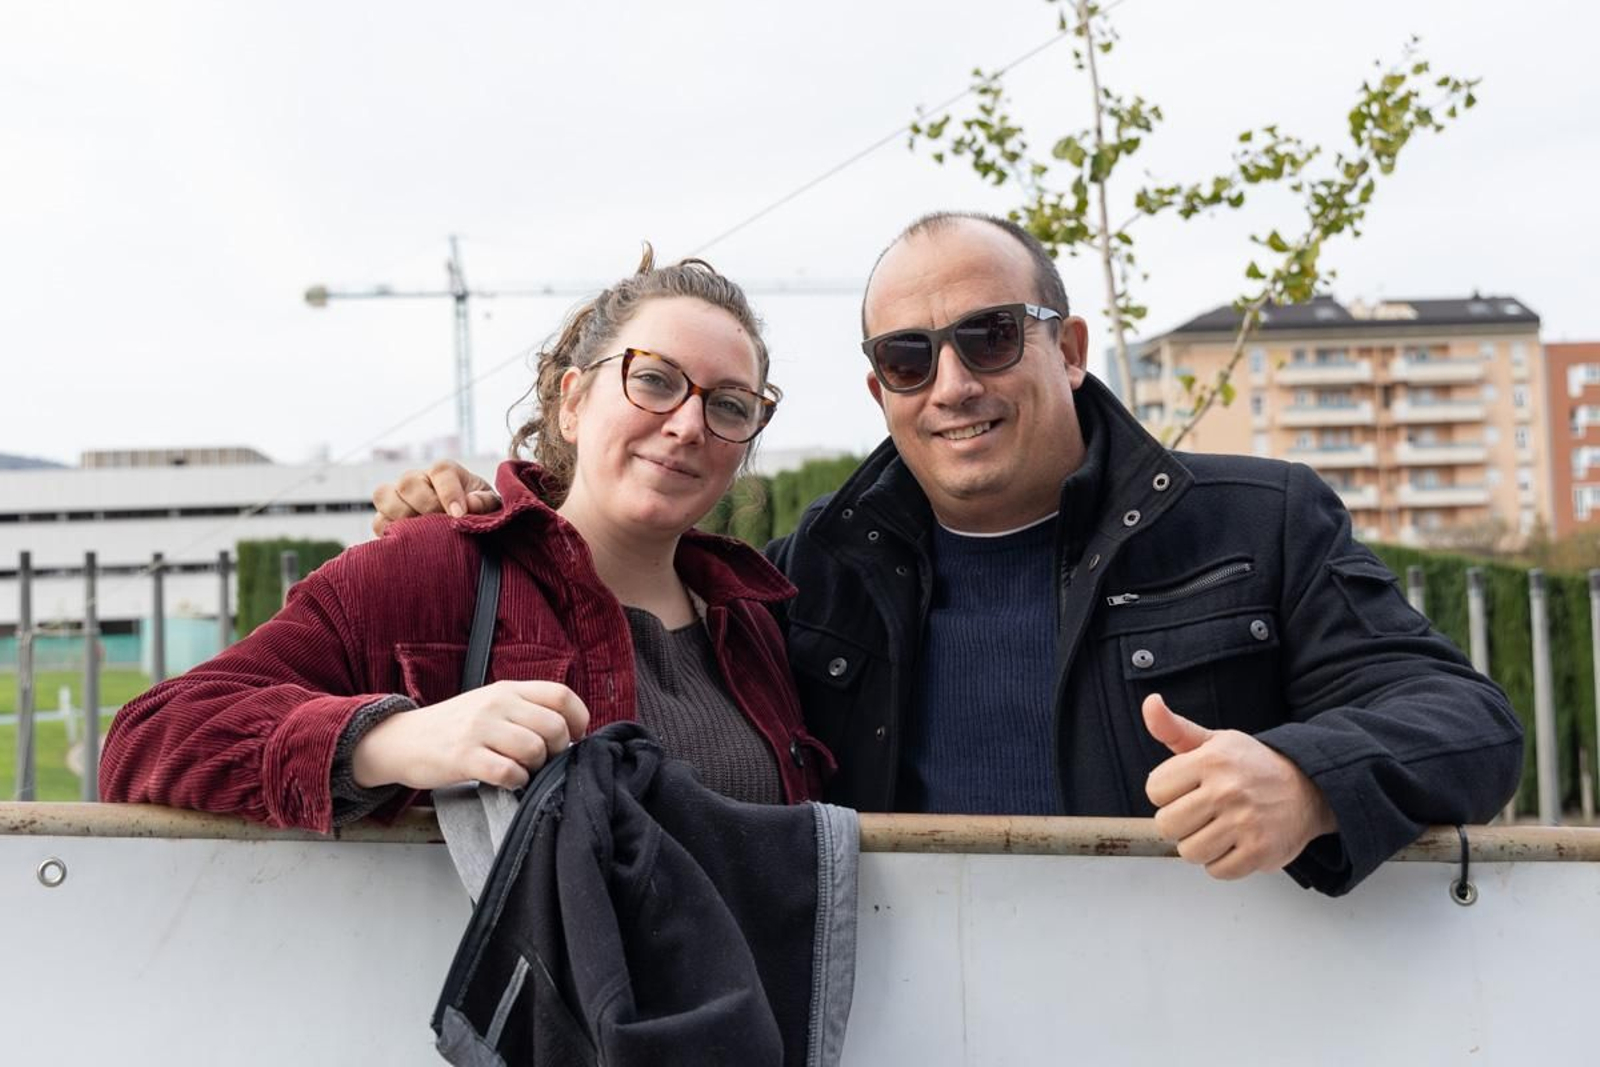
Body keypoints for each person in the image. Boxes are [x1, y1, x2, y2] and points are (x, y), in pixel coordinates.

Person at [373, 212, 1523, 896]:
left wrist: (1307, 777)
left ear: (1067, 347)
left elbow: (1467, 721)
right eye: (909, 357)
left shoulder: (1256, 524)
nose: (954, 383)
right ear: (879, 389)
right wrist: (462, 516)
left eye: (987, 336)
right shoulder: (805, 575)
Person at [100, 249, 831, 830]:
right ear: (573, 401)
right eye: (656, 380)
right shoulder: (434, 571)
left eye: (729, 404)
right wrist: (390, 742)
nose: (686, 425)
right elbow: (150, 738)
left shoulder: (759, 630)